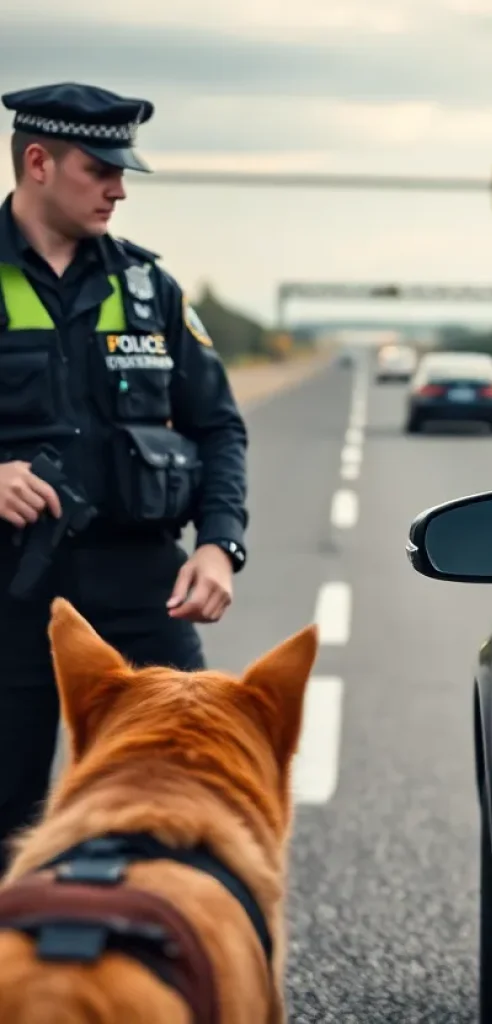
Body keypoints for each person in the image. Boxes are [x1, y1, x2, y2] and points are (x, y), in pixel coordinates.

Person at [0, 83, 249, 872]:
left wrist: (218, 545)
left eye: (122, 169)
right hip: (8, 591)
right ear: (37, 162)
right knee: (10, 815)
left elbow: (219, 427)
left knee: (178, 794)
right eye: (99, 167)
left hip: (142, 583)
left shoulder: (150, 290)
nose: (119, 187)